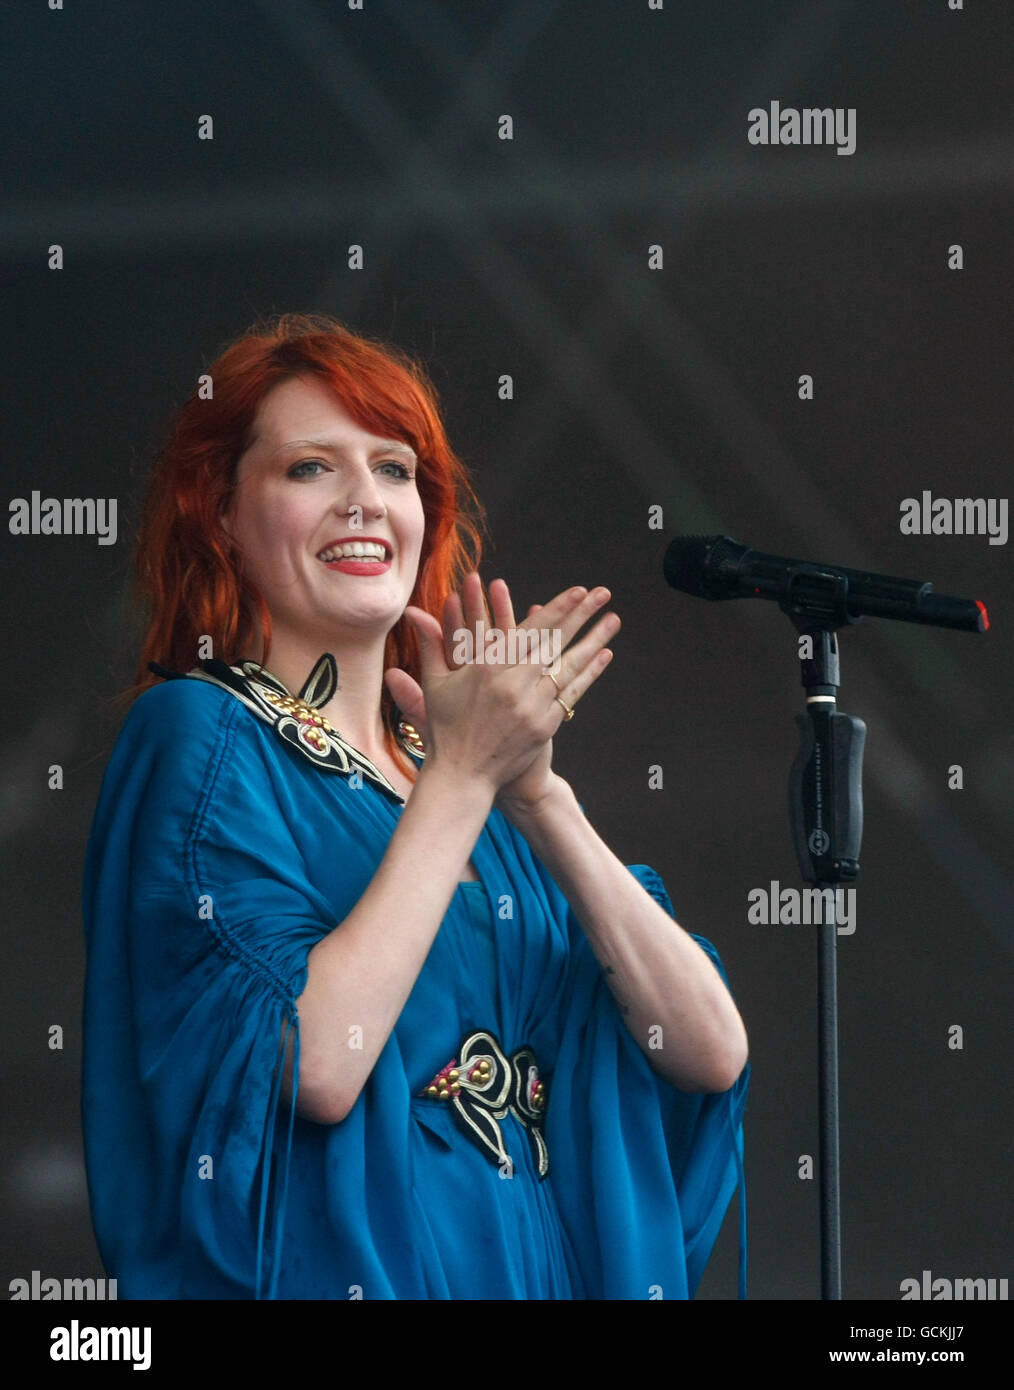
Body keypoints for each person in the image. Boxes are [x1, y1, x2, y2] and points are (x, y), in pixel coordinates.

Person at [81, 312, 750, 1300]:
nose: (365, 501)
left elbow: (706, 1049)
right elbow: (315, 1065)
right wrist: (464, 779)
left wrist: (537, 792)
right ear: (218, 512)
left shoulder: (481, 794)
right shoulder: (203, 733)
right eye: (312, 467)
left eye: (395, 470)